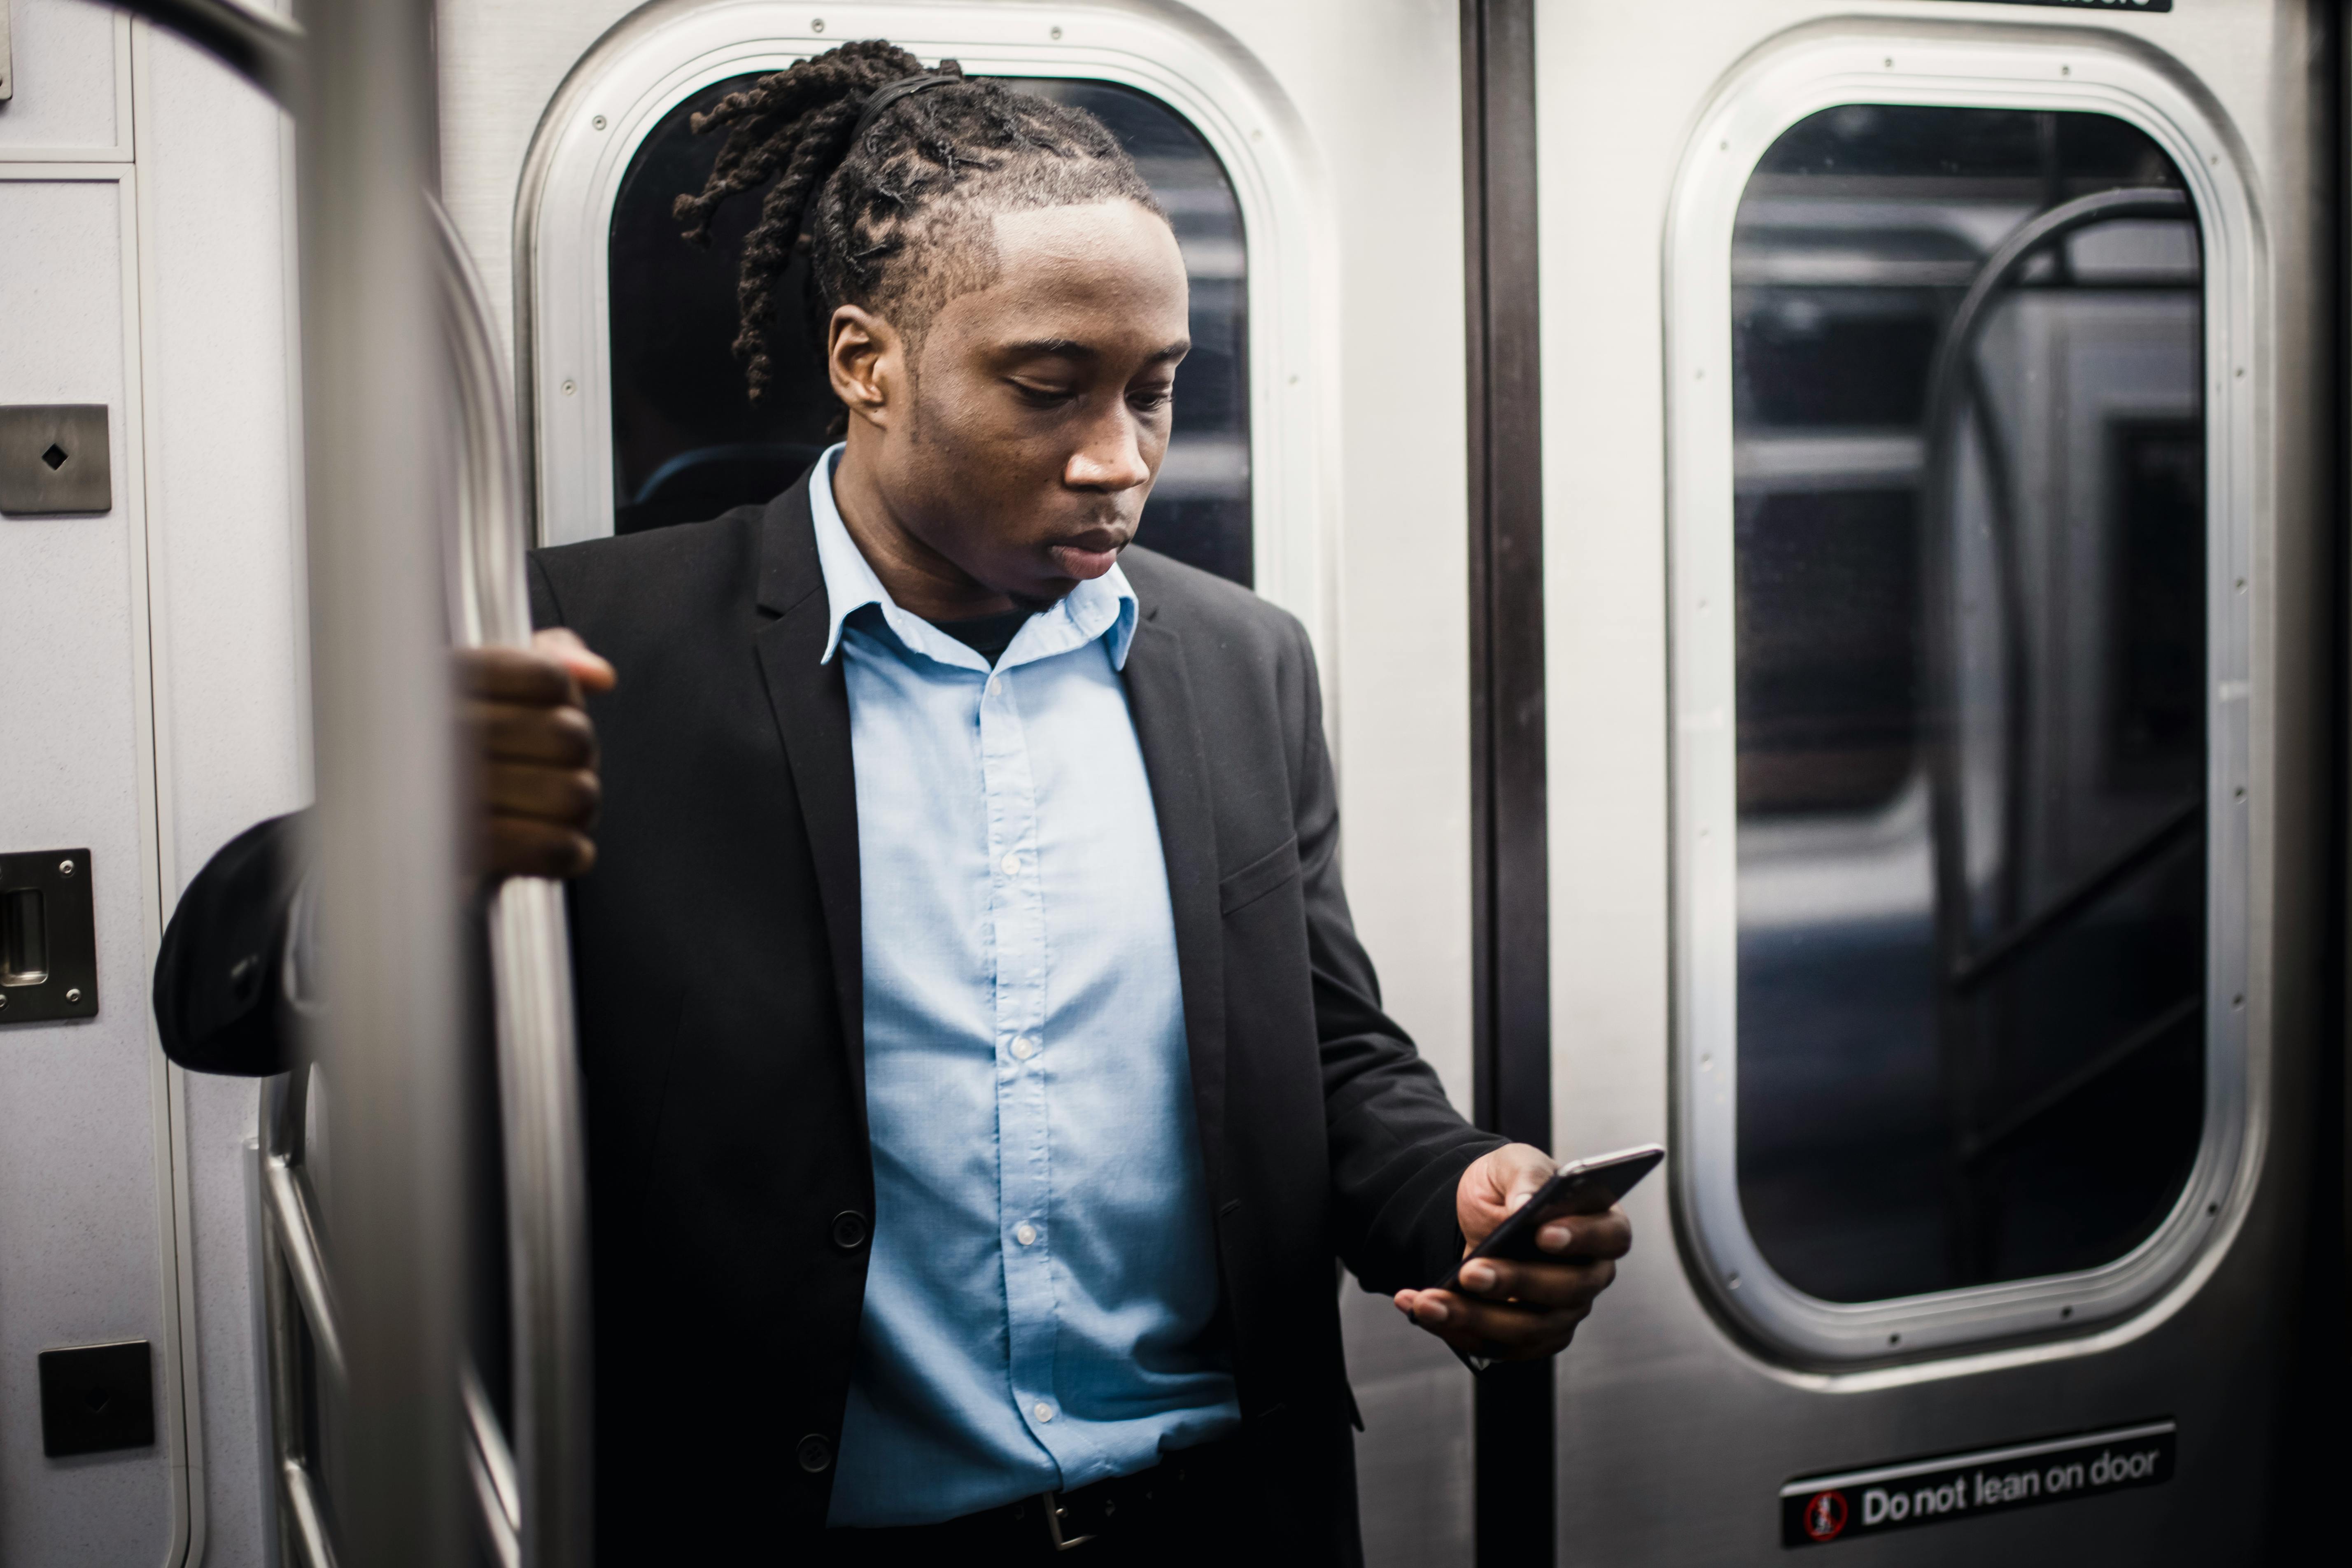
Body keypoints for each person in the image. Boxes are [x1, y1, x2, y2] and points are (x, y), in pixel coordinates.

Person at [155, 42, 1631, 1565]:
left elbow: (1321, 1053)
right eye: (1050, 388)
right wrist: (405, 853)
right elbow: (218, 997)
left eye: (1158, 391)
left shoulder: (1239, 663)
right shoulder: (598, 647)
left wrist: (1452, 1191)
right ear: (867, 362)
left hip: (1222, 1512)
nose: (1120, 461)